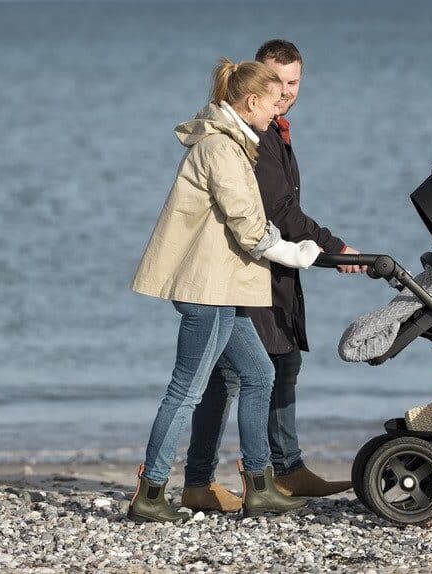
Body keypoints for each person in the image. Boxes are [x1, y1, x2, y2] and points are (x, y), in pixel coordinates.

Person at [127, 58, 321, 522]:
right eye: (274, 102)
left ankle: (259, 487)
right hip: (206, 289)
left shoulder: (237, 144)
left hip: (224, 286)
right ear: (252, 101)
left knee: (258, 376)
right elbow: (250, 227)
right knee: (186, 390)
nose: (279, 112)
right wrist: (297, 254)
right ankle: (150, 494)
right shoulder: (219, 148)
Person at [180, 40, 360, 513]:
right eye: (277, 82)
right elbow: (278, 211)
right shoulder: (248, 135)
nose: (285, 92)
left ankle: (278, 469)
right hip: (247, 267)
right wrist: (335, 249)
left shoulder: (273, 130)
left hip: (270, 264)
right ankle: (253, 476)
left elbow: (284, 209)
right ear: (255, 84)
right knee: (243, 373)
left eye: (293, 83)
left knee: (263, 368)